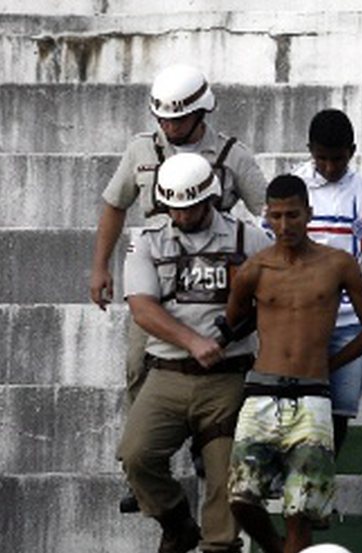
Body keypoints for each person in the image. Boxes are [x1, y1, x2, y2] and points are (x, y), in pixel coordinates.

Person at [89, 64, 268, 513]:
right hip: (154, 278)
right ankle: (149, 472)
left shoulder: (231, 155)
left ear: (201, 112)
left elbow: (266, 211)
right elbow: (115, 205)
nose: (170, 127)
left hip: (216, 282)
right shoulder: (141, 151)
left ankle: (207, 453)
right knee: (137, 367)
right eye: (163, 119)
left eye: (179, 119)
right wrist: (100, 268)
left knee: (224, 375)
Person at [224, 175, 362, 553]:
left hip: (313, 397)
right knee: (240, 498)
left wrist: (329, 364)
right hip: (262, 391)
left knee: (301, 512)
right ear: (267, 217)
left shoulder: (337, 264)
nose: (284, 223)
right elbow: (231, 324)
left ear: (308, 213)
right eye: (275, 215)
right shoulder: (254, 269)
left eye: (292, 214)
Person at [119, 153, 272, 553]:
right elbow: (143, 307)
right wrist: (193, 341)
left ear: (210, 197)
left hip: (228, 376)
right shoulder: (145, 241)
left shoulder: (251, 239)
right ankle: (176, 525)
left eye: (191, 207)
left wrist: (233, 333)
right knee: (136, 455)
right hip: (167, 372)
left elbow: (270, 298)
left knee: (226, 475)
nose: (182, 216)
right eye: (174, 208)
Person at [291, 109, 362, 454]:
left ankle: (321, 489)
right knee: (303, 407)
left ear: (351, 152)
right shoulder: (293, 188)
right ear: (310, 150)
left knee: (338, 414)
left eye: (337, 159)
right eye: (321, 158)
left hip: (351, 323)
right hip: (301, 318)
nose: (330, 167)